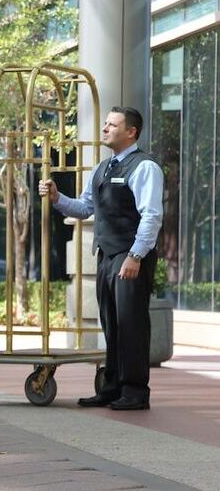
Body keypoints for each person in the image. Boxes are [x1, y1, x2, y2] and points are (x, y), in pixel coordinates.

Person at [38, 106, 163, 410]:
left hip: (130, 255)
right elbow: (84, 208)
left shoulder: (145, 167)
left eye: (112, 124)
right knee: (112, 323)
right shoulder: (102, 168)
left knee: (131, 324)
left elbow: (152, 216)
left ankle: (135, 392)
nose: (105, 129)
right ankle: (112, 387)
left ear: (131, 131)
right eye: (105, 124)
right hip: (106, 256)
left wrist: (135, 255)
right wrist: (57, 198)